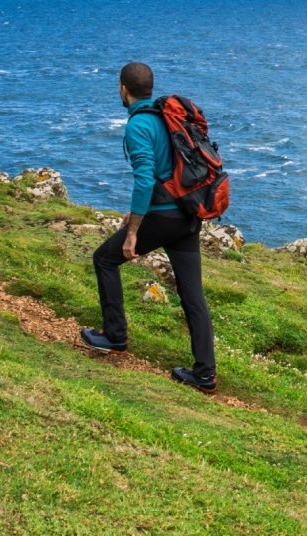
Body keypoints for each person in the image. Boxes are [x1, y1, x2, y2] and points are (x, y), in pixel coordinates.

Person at [80, 61, 217, 394]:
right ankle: (204, 375)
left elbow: (144, 179)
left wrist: (132, 231)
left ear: (123, 89)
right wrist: (134, 213)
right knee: (192, 296)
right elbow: (167, 172)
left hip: (163, 217)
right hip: (188, 216)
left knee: (105, 259)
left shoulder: (138, 125)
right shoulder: (167, 119)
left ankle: (114, 337)